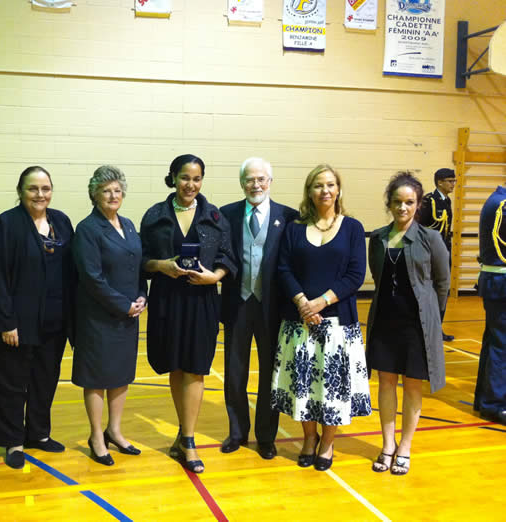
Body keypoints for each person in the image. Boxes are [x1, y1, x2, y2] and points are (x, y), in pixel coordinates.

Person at [271, 164, 371, 472]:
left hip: (338, 324)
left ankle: (327, 444)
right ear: (309, 191)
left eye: (330, 184)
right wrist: (303, 303)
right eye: (318, 185)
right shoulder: (294, 227)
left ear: (338, 189)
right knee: (305, 387)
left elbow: (356, 275)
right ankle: (309, 440)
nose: (324, 190)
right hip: (299, 323)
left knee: (333, 390)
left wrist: (321, 302)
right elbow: (283, 268)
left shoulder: (353, 227)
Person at [141, 154, 237, 474]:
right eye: (184, 178)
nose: (190, 185)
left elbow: (228, 258)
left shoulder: (214, 216)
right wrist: (161, 266)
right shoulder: (154, 215)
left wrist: (216, 277)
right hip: (168, 300)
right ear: (172, 177)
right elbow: (142, 261)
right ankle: (184, 434)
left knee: (196, 368)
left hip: (202, 300)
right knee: (176, 366)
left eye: (196, 179)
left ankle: (190, 440)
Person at [0, 166, 75, 469]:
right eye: (33, 189)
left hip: (54, 322)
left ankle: (39, 434)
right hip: (16, 324)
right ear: (21, 191)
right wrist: (6, 322)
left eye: (45, 188)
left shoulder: (61, 221)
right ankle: (13, 441)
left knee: (45, 379)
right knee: (11, 383)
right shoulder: (5, 225)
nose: (40, 194)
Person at [366, 172, 450, 475]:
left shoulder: (431, 239)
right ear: (389, 203)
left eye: (409, 202)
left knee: (412, 386)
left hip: (416, 326)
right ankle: (387, 444)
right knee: (386, 384)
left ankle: (405, 447)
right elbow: (378, 277)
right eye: (398, 202)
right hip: (385, 322)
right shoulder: (377, 239)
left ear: (418, 205)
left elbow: (443, 283)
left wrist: (432, 320)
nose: (403, 208)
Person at [219, 158, 298, 460]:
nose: (256, 185)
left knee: (270, 374)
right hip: (237, 303)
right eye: (250, 180)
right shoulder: (226, 214)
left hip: (272, 308)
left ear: (270, 182)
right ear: (242, 183)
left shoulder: (289, 217)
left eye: (261, 179)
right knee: (234, 373)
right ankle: (237, 432)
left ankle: (266, 436)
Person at [71, 165, 146, 466]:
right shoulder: (87, 229)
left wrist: (142, 296)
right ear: (94, 194)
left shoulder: (128, 225)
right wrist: (123, 305)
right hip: (98, 317)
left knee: (121, 375)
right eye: (106, 191)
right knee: (98, 378)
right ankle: (96, 436)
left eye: (117, 190)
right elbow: (91, 277)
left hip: (128, 315)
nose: (113, 195)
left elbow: (138, 266)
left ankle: (114, 430)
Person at [473, 183, 506, 426]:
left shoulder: (497, 199)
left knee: (495, 342)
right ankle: (495, 404)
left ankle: (485, 399)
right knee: (501, 345)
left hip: (497, 281)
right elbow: (500, 249)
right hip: (501, 280)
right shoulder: (501, 204)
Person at [418, 168, 457, 341]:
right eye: (449, 181)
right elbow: (419, 227)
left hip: (443, 253)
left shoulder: (446, 201)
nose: (453, 184)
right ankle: (423, 329)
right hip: (428, 254)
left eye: (454, 181)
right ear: (439, 182)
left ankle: (437, 328)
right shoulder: (429, 201)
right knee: (427, 292)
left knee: (442, 291)